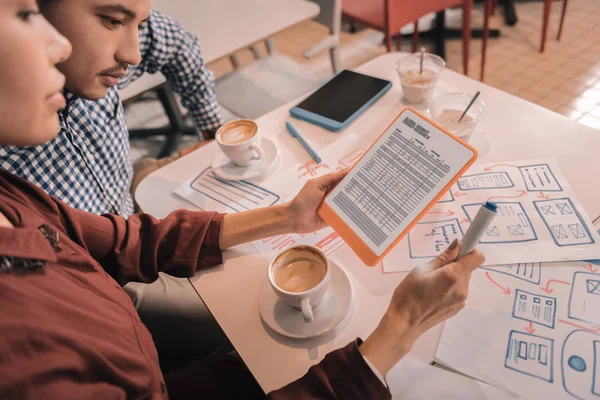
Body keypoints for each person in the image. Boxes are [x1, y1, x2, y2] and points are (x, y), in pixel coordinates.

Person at [0, 1, 486, 398]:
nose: (58, 45)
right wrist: (398, 328)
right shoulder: (26, 352)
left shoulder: (12, 196)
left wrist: (287, 216)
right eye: (25, 14)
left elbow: (119, 240)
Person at [0, 0, 229, 367]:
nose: (134, 54)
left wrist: (211, 128)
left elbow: (178, 45)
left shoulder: (93, 64)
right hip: (108, 273)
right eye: (112, 20)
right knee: (237, 313)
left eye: (138, 25)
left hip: (127, 213)